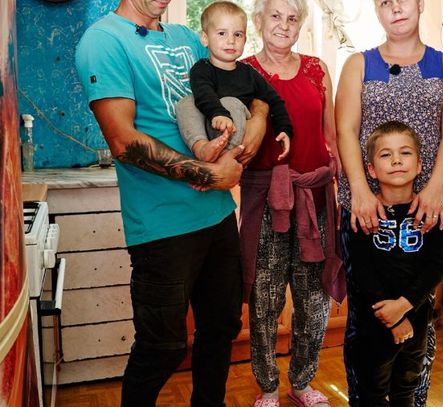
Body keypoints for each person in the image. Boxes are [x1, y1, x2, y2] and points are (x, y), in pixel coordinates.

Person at [75, 0, 268, 406]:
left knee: (221, 329)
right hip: (161, 225)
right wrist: (209, 175)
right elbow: (123, 141)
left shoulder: (186, 37)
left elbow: (246, 88)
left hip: (217, 215)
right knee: (161, 347)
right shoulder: (104, 40)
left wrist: (259, 123)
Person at [335, 0, 443, 405]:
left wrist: (436, 186)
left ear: (420, 4)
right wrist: (360, 189)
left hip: (424, 207)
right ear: (377, 10)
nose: (395, 8)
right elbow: (345, 129)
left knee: (420, 313)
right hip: (367, 208)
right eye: (384, 2)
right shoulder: (359, 64)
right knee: (367, 314)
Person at [239, 0, 345, 406]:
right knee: (264, 300)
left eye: (292, 17)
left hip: (315, 199)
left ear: (300, 24)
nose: (284, 25)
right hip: (266, 200)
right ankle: (267, 386)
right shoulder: (243, 72)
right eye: (275, 16)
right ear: (258, 21)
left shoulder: (318, 69)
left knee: (313, 300)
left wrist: (344, 187)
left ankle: (301, 383)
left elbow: (331, 137)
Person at [346, 120, 443, 406]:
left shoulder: (431, 213)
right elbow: (361, 272)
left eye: (405, 153)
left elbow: (434, 268)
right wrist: (393, 318)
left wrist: (403, 308)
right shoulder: (364, 214)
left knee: (406, 390)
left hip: (416, 320)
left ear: (419, 165)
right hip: (374, 323)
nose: (397, 160)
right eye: (386, 154)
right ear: (371, 169)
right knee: (373, 393)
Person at [176, 1, 291, 163]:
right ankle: (201, 147)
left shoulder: (249, 73)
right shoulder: (201, 69)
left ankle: (225, 156)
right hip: (208, 126)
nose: (231, 40)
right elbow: (204, 94)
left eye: (237, 34)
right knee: (186, 103)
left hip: (236, 135)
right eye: (222, 33)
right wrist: (218, 113)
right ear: (205, 38)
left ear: (245, 39)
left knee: (231, 102)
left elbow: (274, 100)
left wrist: (284, 129)